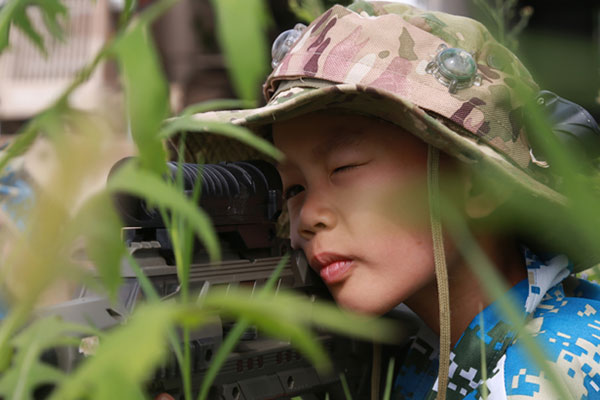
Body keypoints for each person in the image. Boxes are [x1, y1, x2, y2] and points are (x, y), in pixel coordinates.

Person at [193, 1, 600, 399]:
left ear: (479, 185)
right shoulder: (433, 343)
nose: (307, 217)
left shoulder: (548, 373)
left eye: (343, 169)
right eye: (293, 190)